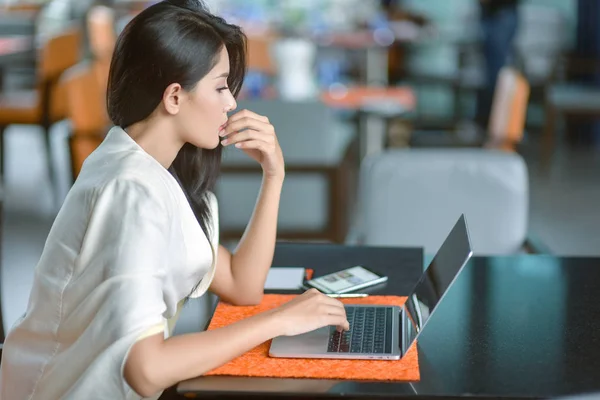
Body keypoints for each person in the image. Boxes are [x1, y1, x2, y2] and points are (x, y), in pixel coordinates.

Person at [0, 1, 349, 399]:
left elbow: (241, 284)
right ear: (174, 97)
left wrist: (274, 176)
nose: (231, 103)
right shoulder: (133, 192)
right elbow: (147, 370)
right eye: (220, 86)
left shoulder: (152, 170)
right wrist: (278, 321)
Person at [476, 0, 520, 131]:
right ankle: (485, 123)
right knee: (487, 74)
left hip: (503, 11)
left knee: (498, 73)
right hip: (487, 12)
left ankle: (500, 127)